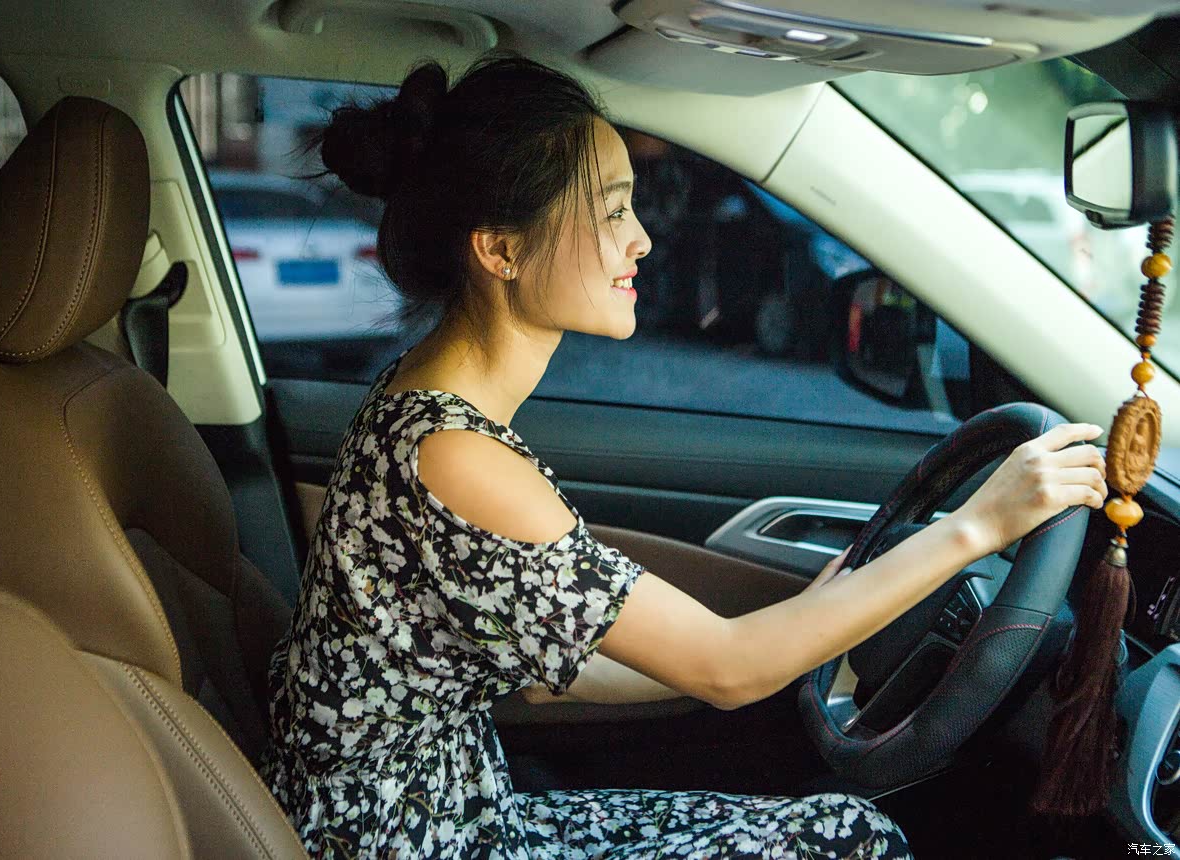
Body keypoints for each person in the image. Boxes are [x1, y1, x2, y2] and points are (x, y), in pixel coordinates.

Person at [258, 51, 1109, 859]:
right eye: (610, 211)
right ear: (501, 249)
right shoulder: (456, 457)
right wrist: (978, 525)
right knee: (848, 837)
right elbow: (728, 670)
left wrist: (799, 626)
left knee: (832, 823)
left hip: (441, 815)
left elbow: (551, 673)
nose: (642, 240)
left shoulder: (421, 404)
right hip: (419, 840)